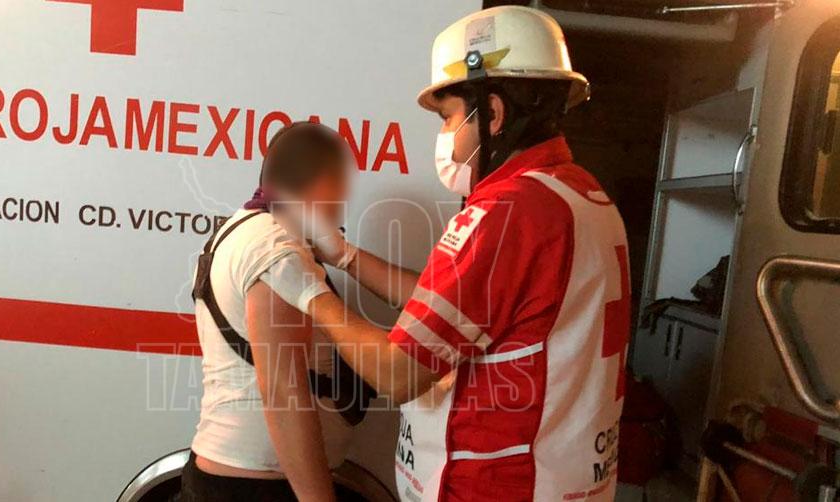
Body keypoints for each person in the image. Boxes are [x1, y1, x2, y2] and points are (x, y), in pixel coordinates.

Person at [286, 6, 631, 501]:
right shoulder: (580, 196)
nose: (444, 136)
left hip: (498, 489)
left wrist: (311, 294)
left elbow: (398, 373)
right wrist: (344, 257)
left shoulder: (510, 211)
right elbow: (454, 309)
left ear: (493, 113)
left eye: (448, 117)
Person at [180, 122, 358, 502]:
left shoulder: (241, 230)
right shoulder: (276, 247)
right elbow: (283, 392)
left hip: (236, 478)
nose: (344, 200)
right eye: (342, 186)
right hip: (258, 487)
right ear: (324, 182)